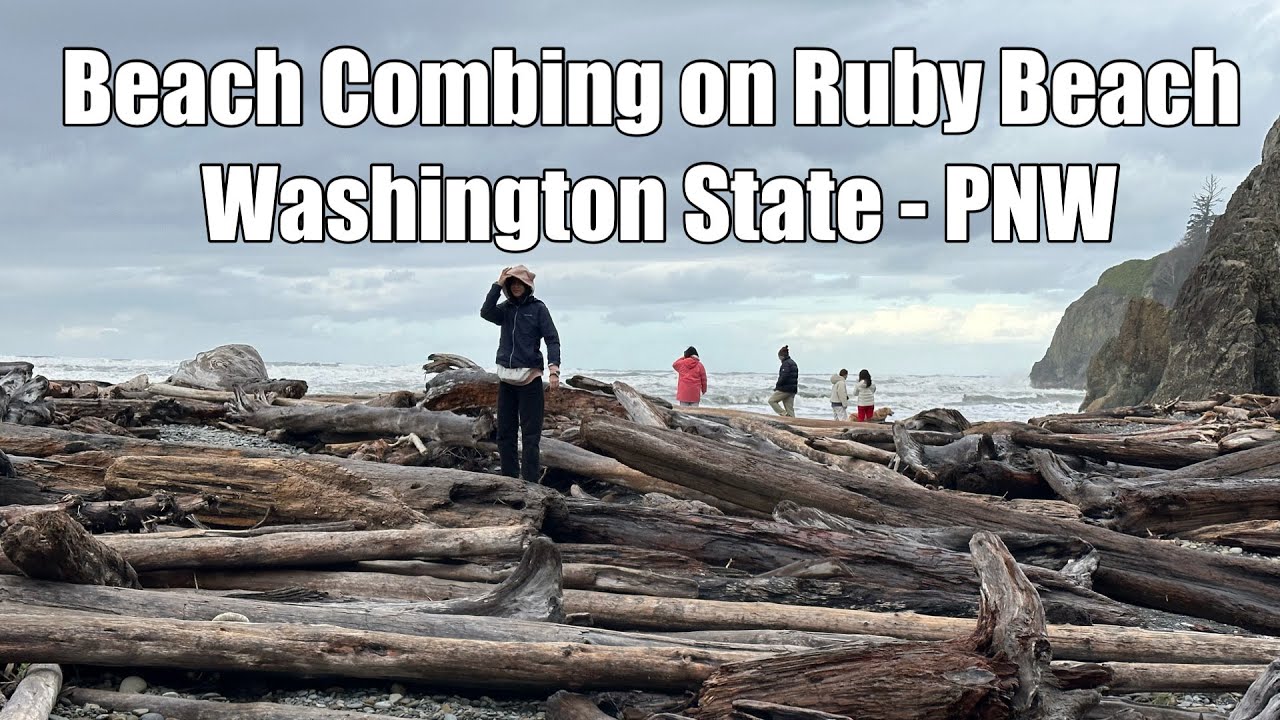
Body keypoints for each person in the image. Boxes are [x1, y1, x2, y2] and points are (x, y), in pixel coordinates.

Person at [480, 265, 561, 483]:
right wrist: (497, 284)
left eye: (520, 283)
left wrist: (554, 369)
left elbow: (552, 339)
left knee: (531, 436)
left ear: (527, 286)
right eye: (512, 283)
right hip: (506, 379)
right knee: (505, 434)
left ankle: (530, 483)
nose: (516, 286)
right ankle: (509, 481)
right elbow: (485, 312)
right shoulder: (505, 309)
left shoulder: (538, 309)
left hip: (530, 380)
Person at [768, 345, 798, 417]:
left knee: (771, 401)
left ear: (781, 356)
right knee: (789, 408)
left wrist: (777, 387)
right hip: (793, 389)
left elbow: (783, 377)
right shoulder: (793, 363)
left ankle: (784, 415)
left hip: (785, 389)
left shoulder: (786, 364)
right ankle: (793, 422)